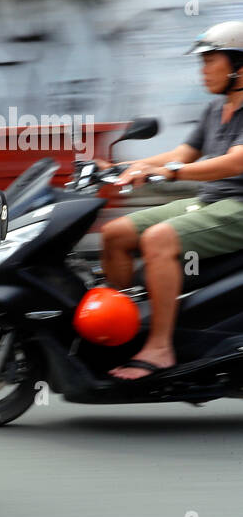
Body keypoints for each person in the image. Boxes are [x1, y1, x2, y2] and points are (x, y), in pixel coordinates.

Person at [100, 20, 243, 380]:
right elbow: (183, 152)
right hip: (211, 203)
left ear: (239, 65)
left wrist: (170, 173)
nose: (204, 70)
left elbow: (234, 162)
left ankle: (161, 348)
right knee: (115, 234)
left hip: (239, 208)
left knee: (156, 238)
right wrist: (124, 166)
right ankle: (129, 330)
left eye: (212, 60)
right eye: (203, 61)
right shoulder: (216, 109)